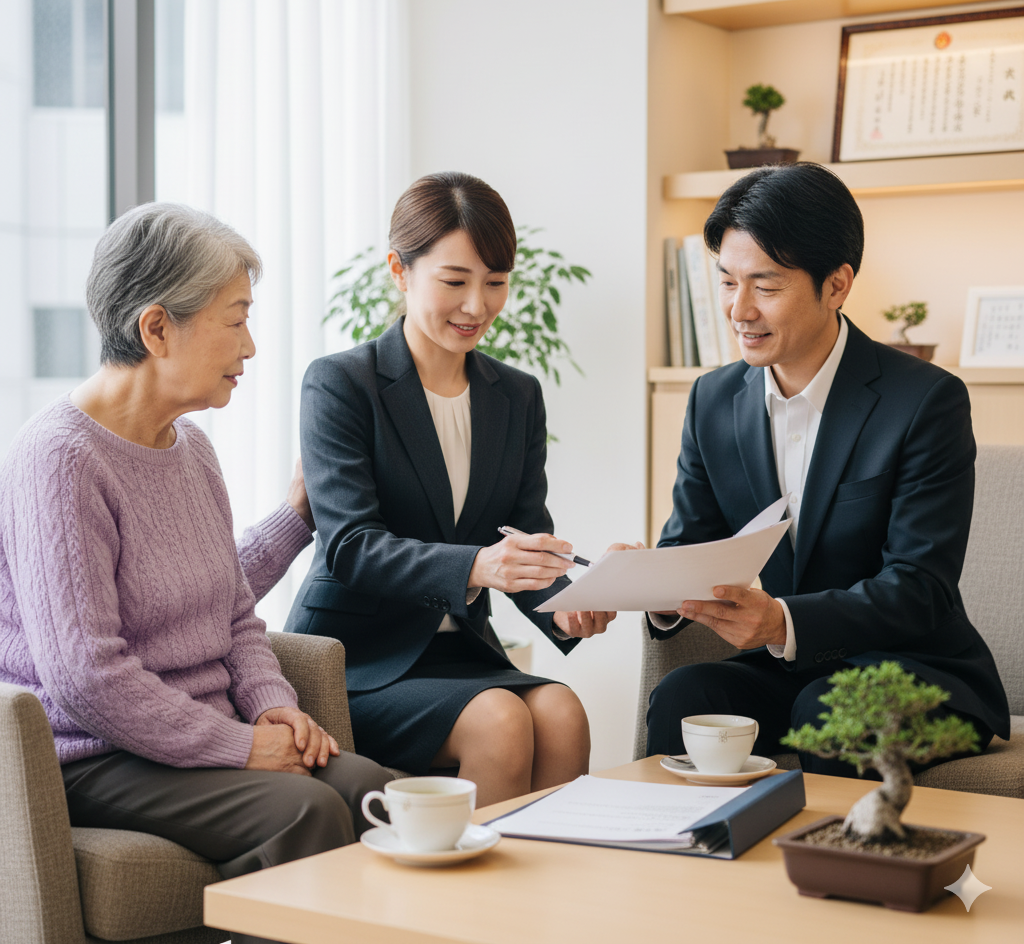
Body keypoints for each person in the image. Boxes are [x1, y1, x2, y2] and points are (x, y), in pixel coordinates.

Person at [0, 203, 392, 939]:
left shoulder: (192, 449)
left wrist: (272, 705)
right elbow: (87, 678)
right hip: (97, 755)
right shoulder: (59, 458)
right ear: (156, 328)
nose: (250, 344)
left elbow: (233, 615)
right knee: (304, 810)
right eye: (235, 318)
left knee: (374, 791)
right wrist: (243, 747)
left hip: (197, 736)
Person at [644, 162, 1010, 774]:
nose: (739, 309)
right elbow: (691, 544)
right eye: (728, 282)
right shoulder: (713, 400)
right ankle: (685, 857)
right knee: (687, 697)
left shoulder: (923, 401)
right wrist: (648, 584)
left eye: (765, 286)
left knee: (826, 708)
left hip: (917, 670)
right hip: (796, 670)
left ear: (836, 285)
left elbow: (921, 587)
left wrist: (782, 620)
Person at [285, 171, 617, 806]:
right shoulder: (340, 385)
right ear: (399, 271)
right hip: (357, 660)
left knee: (564, 712)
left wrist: (572, 601)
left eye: (495, 283)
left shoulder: (516, 395)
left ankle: (544, 901)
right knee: (501, 719)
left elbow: (520, 541)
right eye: (455, 281)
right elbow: (351, 545)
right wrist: (480, 566)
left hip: (462, 656)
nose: (478, 306)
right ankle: (470, 907)